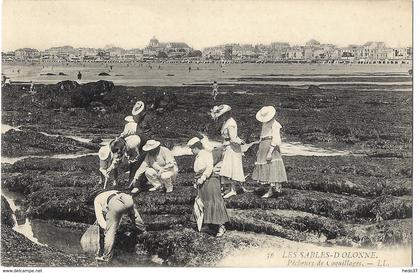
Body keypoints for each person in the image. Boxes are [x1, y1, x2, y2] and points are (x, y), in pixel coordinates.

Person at [188, 137, 229, 237]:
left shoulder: (206, 153)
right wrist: (196, 180)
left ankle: (221, 226)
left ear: (197, 147)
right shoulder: (198, 156)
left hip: (209, 180)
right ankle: (209, 224)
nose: (191, 151)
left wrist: (203, 177)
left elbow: (209, 167)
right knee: (204, 202)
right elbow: (198, 170)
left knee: (214, 201)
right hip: (201, 181)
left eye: (192, 148)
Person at [94, 190, 145, 262]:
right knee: (135, 216)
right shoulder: (110, 192)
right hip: (127, 198)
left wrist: (107, 228)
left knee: (110, 233)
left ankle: (106, 257)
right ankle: (144, 232)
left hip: (115, 203)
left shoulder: (96, 200)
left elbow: (100, 219)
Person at [210, 105, 246, 199]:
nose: (221, 117)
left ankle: (233, 190)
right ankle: (229, 188)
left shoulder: (230, 123)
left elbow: (233, 139)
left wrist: (240, 142)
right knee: (228, 168)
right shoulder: (227, 122)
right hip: (227, 146)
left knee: (232, 168)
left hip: (232, 148)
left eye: (222, 115)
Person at [252, 106, 288, 198]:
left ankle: (272, 190)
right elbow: (262, 136)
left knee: (272, 167)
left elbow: (276, 140)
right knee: (265, 167)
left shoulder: (275, 124)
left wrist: (270, 152)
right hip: (264, 145)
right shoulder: (265, 124)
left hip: (270, 147)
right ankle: (269, 188)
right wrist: (260, 149)